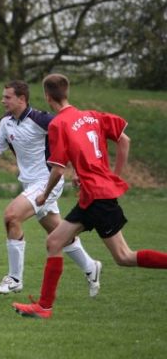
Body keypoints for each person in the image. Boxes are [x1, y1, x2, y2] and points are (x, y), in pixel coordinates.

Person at [13, 74, 167, 319]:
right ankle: (44, 307)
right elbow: (124, 140)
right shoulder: (92, 116)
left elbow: (57, 169)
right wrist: (112, 176)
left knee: (124, 256)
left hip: (97, 197)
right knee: (54, 242)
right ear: (67, 92)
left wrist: (44, 195)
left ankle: (44, 306)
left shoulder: (58, 124)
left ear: (47, 96)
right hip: (93, 195)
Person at [0, 80, 101, 296]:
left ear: (21, 99)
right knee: (58, 232)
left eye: (7, 97)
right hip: (30, 184)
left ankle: (14, 279)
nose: (3, 101)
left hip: (48, 181)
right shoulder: (5, 122)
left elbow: (71, 141)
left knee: (11, 216)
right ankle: (91, 266)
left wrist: (78, 171)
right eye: (3, 97)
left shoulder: (43, 120)